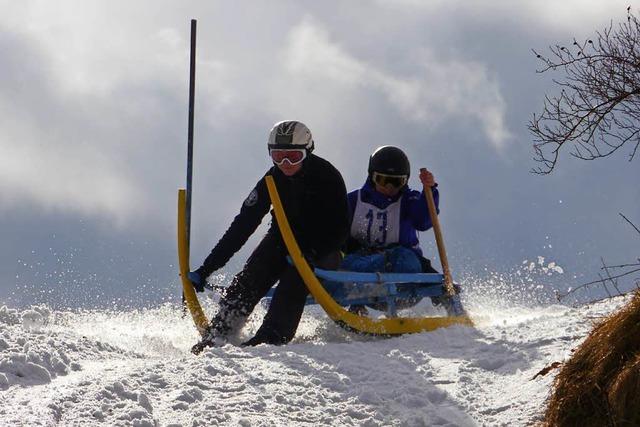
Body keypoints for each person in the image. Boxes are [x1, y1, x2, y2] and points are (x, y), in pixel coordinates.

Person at [189, 120, 349, 353]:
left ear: (308, 151)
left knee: (296, 276)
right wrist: (206, 269)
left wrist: (313, 253)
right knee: (254, 272)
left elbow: (340, 229)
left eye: (293, 156)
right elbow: (242, 226)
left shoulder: (328, 177)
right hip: (283, 239)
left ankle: (271, 336)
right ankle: (221, 330)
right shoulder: (271, 180)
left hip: (324, 247)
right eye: (278, 156)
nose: (285, 164)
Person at [342, 145, 440, 313]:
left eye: (396, 182)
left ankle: (448, 303)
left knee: (406, 258)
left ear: (405, 181)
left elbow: (423, 222)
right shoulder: (353, 201)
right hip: (366, 265)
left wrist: (429, 192)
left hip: (403, 275)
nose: (389, 187)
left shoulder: (409, 200)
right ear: (371, 177)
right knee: (341, 261)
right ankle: (357, 305)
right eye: (382, 179)